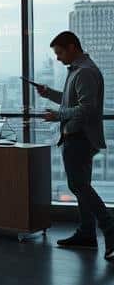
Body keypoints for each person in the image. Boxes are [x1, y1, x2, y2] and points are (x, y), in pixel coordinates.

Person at [35, 30, 113, 260]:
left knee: (80, 187)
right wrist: (48, 93)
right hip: (79, 137)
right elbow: (73, 101)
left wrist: (58, 116)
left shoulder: (85, 72)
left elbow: (86, 109)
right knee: (82, 186)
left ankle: (110, 229)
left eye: (59, 52)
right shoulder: (79, 71)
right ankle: (86, 234)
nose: (58, 58)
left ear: (71, 47)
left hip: (79, 138)